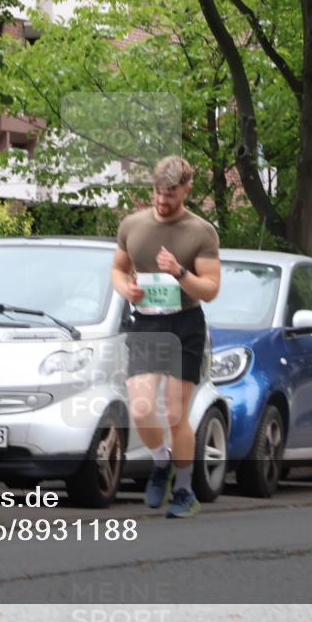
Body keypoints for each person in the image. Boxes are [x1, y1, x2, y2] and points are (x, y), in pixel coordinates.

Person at [111, 155, 221, 519]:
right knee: (141, 409)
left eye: (170, 194)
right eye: (158, 192)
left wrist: (179, 272)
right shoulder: (133, 224)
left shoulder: (201, 232)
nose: (162, 200)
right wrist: (127, 289)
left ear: (187, 189)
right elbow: (117, 268)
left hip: (184, 324)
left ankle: (185, 490)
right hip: (146, 322)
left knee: (176, 414)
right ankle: (161, 463)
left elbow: (210, 289)